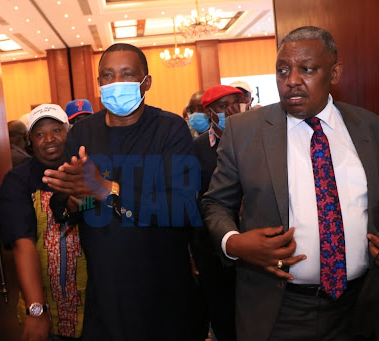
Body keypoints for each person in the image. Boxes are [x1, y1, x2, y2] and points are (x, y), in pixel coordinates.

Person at [201, 26, 379, 341]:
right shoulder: (245, 131)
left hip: (362, 306)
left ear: (335, 73)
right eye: (282, 70)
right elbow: (215, 204)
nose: (292, 79)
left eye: (307, 69)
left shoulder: (369, 127)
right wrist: (233, 243)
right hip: (280, 308)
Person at [41, 43, 202, 341]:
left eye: (127, 75)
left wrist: (105, 188)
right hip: (106, 292)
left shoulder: (170, 129)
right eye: (108, 76)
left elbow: (179, 208)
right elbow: (63, 204)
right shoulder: (82, 133)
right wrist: (76, 199)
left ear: (146, 82)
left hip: (164, 292)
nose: (116, 84)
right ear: (99, 83)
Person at [0, 104, 87, 341]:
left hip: (96, 309)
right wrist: (36, 311)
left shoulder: (87, 170)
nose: (49, 139)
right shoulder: (18, 180)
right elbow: (21, 243)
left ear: (69, 132)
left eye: (56, 130)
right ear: (30, 140)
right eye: (39, 134)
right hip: (47, 310)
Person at [191, 84, 243, 341]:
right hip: (211, 249)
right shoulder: (197, 149)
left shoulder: (253, 139)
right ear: (210, 112)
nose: (231, 110)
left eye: (235, 103)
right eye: (223, 106)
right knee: (223, 316)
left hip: (250, 245)